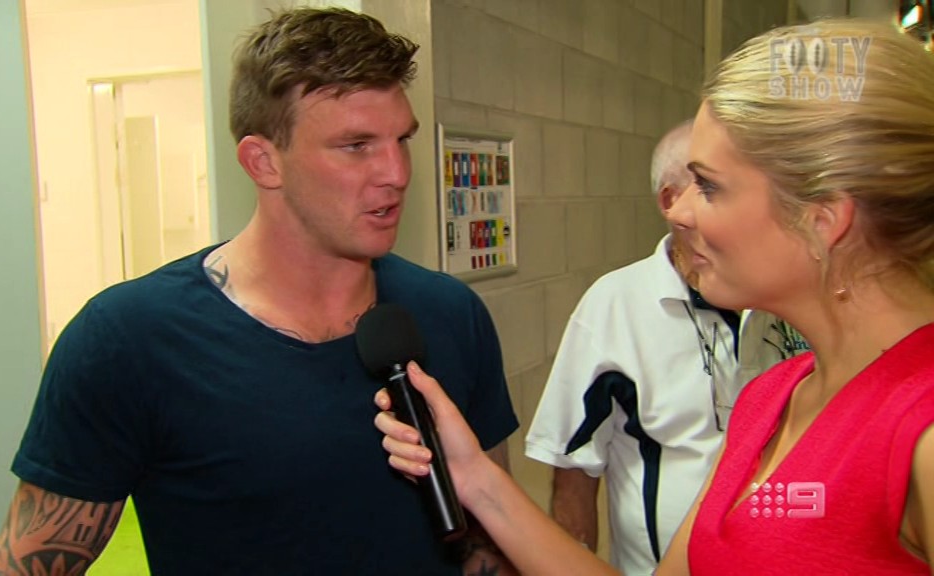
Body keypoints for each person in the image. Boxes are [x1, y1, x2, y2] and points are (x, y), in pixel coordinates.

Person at [376, 18, 933, 575]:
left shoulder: (920, 430)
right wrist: (474, 476)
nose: (680, 211)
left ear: (822, 220)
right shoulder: (773, 399)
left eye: (709, 186)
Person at [0, 8, 518, 575]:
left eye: (401, 139)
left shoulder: (451, 313)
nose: (397, 172)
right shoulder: (127, 340)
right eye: (356, 145)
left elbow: (492, 539)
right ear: (263, 162)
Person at [525, 120, 806, 574]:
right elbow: (574, 469)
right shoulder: (616, 305)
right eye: (713, 190)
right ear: (672, 202)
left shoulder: (785, 292)